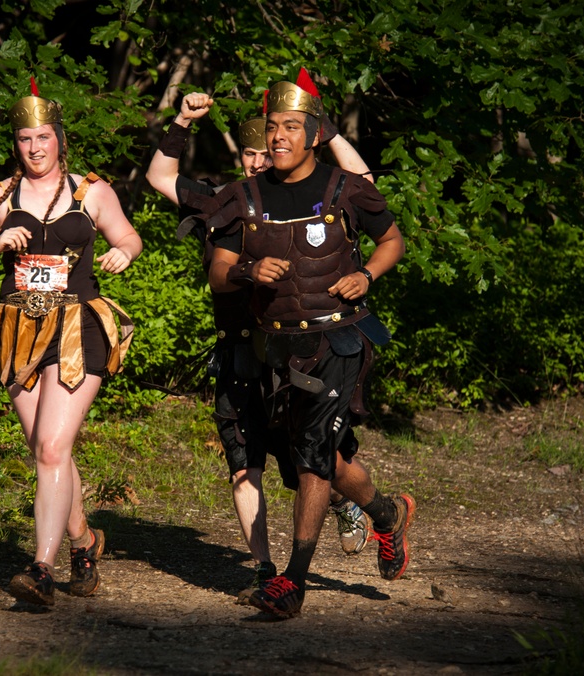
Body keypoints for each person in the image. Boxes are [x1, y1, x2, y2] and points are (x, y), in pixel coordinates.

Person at [145, 92, 375, 593]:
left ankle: (365, 506)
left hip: (303, 349)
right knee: (243, 462)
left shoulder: (309, 190)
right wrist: (183, 120)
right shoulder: (224, 200)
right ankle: (269, 571)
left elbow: (363, 185)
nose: (262, 158)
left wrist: (323, 127)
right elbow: (160, 178)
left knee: (320, 461)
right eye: (253, 152)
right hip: (240, 352)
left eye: (270, 150)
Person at [206, 68, 415, 618]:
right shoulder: (242, 196)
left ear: (316, 133)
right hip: (271, 349)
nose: (278, 137)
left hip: (338, 340)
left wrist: (367, 275)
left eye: (292, 127)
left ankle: (292, 582)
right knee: (323, 457)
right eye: (272, 126)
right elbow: (219, 270)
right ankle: (388, 515)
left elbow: (391, 240)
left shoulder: (347, 190)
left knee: (313, 451)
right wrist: (251, 271)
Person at [0, 78, 142, 607]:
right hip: (18, 332)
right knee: (45, 449)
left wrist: (124, 252)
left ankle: (41, 570)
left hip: (79, 328)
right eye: (24, 139)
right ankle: (84, 544)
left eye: (43, 137)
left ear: (59, 138)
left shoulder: (91, 191)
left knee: (54, 447)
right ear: (15, 143)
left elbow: (129, 235)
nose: (34, 148)